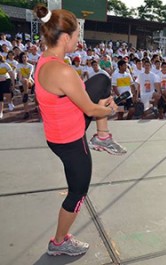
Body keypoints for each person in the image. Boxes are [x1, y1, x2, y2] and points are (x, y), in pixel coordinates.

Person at [33, 5, 126, 257]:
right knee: (78, 193)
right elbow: (92, 110)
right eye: (76, 36)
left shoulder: (45, 60)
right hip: (69, 140)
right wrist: (110, 110)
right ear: (65, 38)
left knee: (102, 79)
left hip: (62, 127)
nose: (78, 41)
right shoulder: (63, 71)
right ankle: (59, 242)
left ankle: (102, 137)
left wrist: (98, 108)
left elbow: (85, 102)